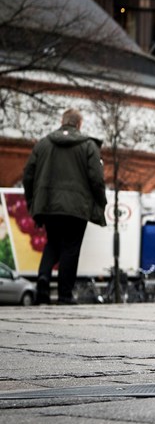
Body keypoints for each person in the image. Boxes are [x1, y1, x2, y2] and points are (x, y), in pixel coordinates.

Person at [22, 108, 107, 304]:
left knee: (52, 243)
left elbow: (28, 175)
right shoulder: (88, 146)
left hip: (49, 205)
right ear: (79, 124)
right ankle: (64, 295)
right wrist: (100, 202)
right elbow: (97, 179)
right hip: (77, 208)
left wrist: (33, 202)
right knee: (71, 247)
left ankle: (43, 280)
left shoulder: (43, 144)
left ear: (62, 122)